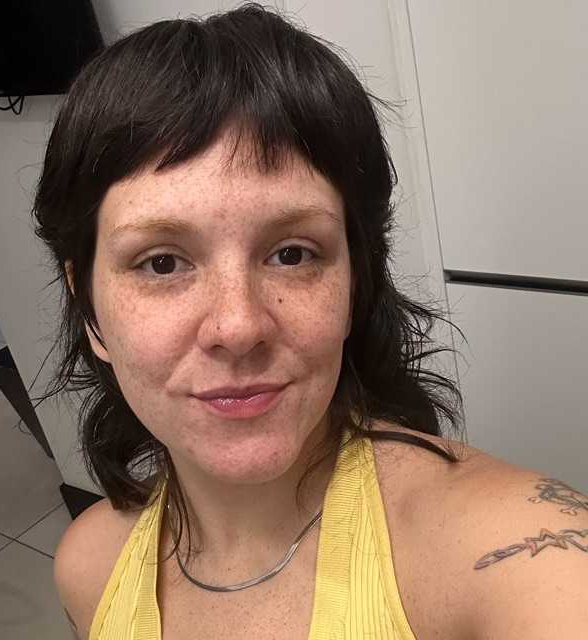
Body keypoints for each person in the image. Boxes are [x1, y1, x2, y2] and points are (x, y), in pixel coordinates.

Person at [32, 4, 588, 639]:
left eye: (292, 254)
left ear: (354, 284)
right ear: (90, 312)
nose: (238, 327)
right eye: (162, 263)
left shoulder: (513, 554)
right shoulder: (89, 568)